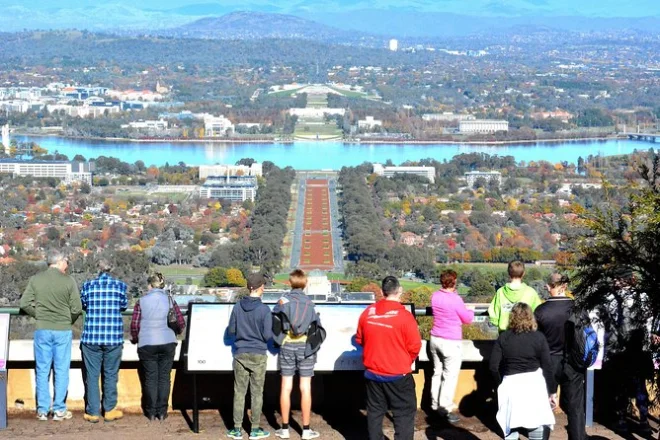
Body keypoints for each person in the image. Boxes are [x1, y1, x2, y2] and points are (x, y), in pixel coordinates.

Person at [356, 276, 422, 440]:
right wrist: (406, 360)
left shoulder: (367, 312)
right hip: (398, 374)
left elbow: (360, 339)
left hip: (373, 372)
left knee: (375, 412)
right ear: (400, 291)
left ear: (381, 291)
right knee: (404, 413)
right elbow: (415, 346)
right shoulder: (405, 316)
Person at [20, 250, 82, 421]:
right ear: (59, 262)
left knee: (42, 370)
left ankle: (42, 409)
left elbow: (24, 303)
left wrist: (38, 315)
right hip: (62, 330)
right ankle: (59, 409)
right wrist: (67, 320)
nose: (67, 264)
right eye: (66, 261)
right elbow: (77, 308)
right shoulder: (68, 280)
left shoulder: (36, 279)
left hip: (42, 329)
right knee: (61, 369)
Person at [490, 303, 555, 440]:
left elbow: (493, 367)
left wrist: (500, 384)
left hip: (511, 384)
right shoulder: (539, 337)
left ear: (512, 317)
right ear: (530, 317)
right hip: (534, 384)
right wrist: (552, 391)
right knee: (535, 423)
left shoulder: (504, 337)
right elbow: (547, 367)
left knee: (510, 424)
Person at [597, 272, 652, 434]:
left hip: (617, 351)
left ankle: (621, 421)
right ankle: (644, 422)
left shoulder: (609, 298)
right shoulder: (643, 296)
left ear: (622, 279)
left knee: (619, 386)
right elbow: (648, 323)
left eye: (616, 278)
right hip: (638, 349)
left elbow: (602, 323)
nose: (614, 280)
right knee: (640, 386)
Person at [272, 269, 323, 440]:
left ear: (290, 282)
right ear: (305, 284)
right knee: (305, 388)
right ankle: (306, 430)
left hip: (287, 346)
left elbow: (274, 321)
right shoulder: (310, 303)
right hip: (305, 348)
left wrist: (279, 340)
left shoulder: (283, 301)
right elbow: (317, 327)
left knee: (286, 387)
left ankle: (285, 429)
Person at [534, 273, 586, 440]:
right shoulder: (577, 308)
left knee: (545, 406)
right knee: (576, 407)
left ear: (549, 286)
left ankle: (542, 437)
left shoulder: (541, 311)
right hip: (573, 361)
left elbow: (535, 340)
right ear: (565, 287)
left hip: (547, 362)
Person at [130, 272, 185, 421]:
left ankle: (151, 411)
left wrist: (135, 339)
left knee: (150, 378)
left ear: (149, 285)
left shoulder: (141, 301)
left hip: (147, 344)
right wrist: (175, 333)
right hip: (168, 342)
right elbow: (180, 322)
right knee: (164, 378)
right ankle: (162, 411)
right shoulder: (170, 300)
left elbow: (135, 325)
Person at [80, 259, 128, 423]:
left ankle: (93, 411)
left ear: (98, 269)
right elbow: (123, 305)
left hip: (91, 337)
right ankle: (109, 409)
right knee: (111, 374)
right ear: (111, 269)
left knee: (92, 375)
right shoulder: (120, 286)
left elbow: (84, 304)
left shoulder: (87, 286)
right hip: (113, 337)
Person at [227, 273, 273, 440]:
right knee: (256, 393)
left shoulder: (237, 307)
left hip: (240, 353)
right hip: (258, 354)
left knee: (239, 392)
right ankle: (254, 429)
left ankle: (237, 429)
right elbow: (267, 335)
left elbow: (231, 330)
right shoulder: (264, 310)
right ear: (261, 288)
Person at [429, 269, 474, 423]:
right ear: (454, 282)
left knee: (437, 372)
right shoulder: (456, 300)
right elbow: (467, 319)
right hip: (450, 341)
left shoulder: (435, 296)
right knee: (449, 376)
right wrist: (471, 311)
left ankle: (435, 405)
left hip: (435, 338)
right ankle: (445, 409)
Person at [488, 261, 542, 332]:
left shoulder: (500, 292)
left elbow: (493, 313)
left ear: (508, 273)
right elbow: (539, 313)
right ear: (523, 273)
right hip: (526, 331)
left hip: (504, 333)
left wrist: (497, 322)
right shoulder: (531, 292)